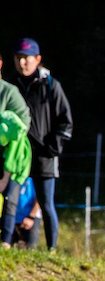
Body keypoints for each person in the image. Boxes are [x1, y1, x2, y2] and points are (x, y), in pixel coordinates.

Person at [12, 38, 72, 251]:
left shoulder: (50, 86)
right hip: (17, 154)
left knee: (46, 204)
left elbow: (66, 121)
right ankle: (6, 243)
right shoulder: (12, 86)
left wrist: (53, 148)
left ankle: (51, 249)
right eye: (18, 58)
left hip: (45, 156)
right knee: (9, 199)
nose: (22, 63)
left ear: (37, 59)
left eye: (26, 59)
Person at [0, 51, 30, 248]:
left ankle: (5, 243)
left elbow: (24, 122)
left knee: (10, 199)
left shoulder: (9, 92)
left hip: (11, 156)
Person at [12, 176, 39, 248]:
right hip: (12, 217)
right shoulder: (13, 176)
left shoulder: (37, 179)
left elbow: (41, 199)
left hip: (31, 218)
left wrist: (31, 217)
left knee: (30, 248)